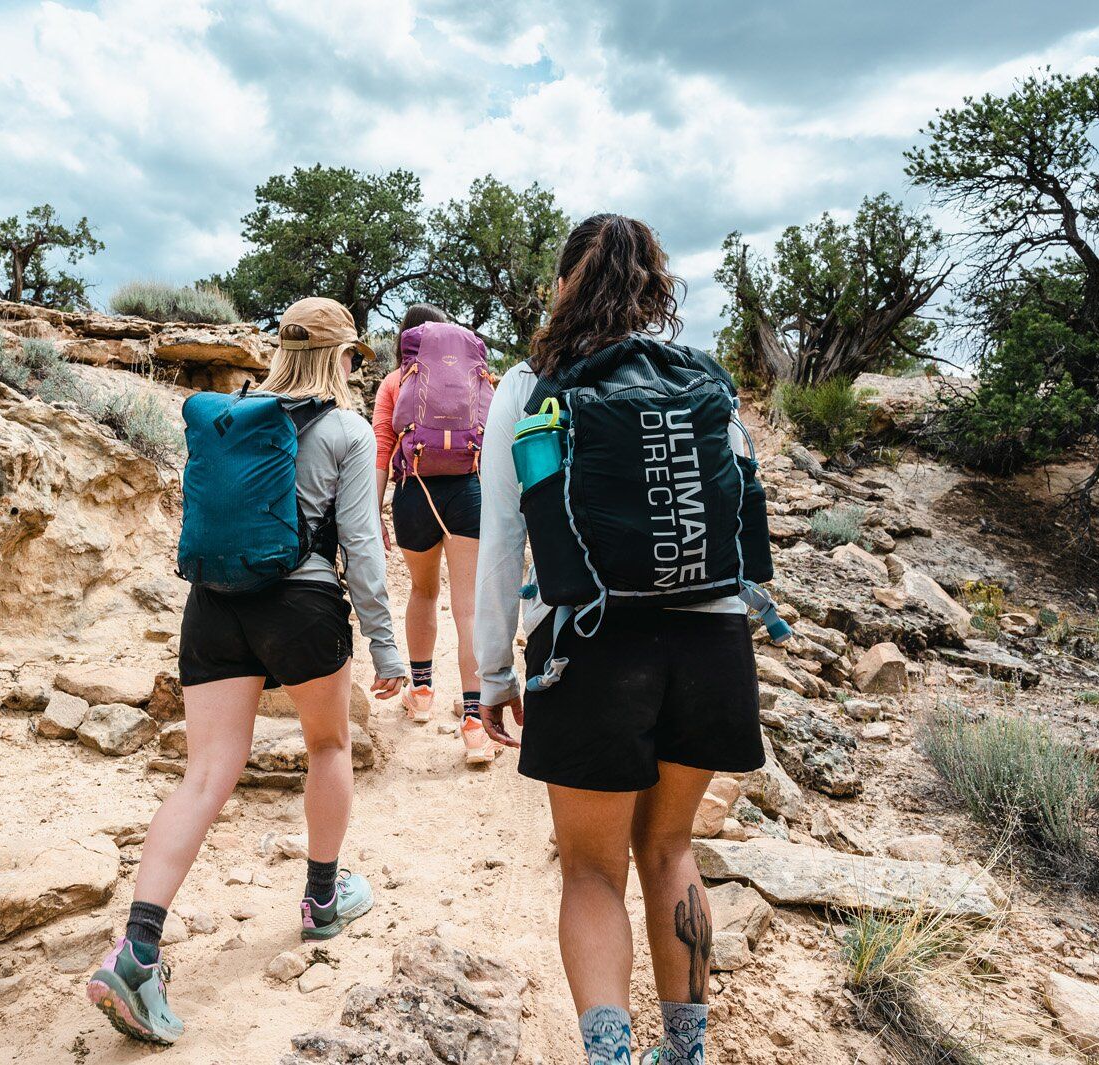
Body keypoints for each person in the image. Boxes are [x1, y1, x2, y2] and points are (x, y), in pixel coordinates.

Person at [473, 215, 765, 1065]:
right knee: (672, 848)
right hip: (713, 643)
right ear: (655, 289)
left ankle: (610, 1056)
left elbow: (501, 540)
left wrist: (492, 673)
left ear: (562, 284)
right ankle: (688, 1052)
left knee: (592, 871)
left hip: (591, 644)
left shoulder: (532, 382)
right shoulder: (701, 378)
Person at [86, 297, 408, 1045]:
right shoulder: (347, 430)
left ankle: (136, 951)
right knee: (328, 746)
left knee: (204, 775)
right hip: (300, 605)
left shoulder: (230, 419)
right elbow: (360, 547)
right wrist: (390, 652)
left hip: (215, 605)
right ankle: (322, 902)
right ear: (343, 358)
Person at [372, 304, 498, 765]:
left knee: (424, 592)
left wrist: (374, 510)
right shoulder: (476, 376)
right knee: (468, 609)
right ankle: (473, 724)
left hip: (413, 492)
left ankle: (421, 693)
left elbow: (382, 450)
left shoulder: (396, 382)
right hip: (468, 491)